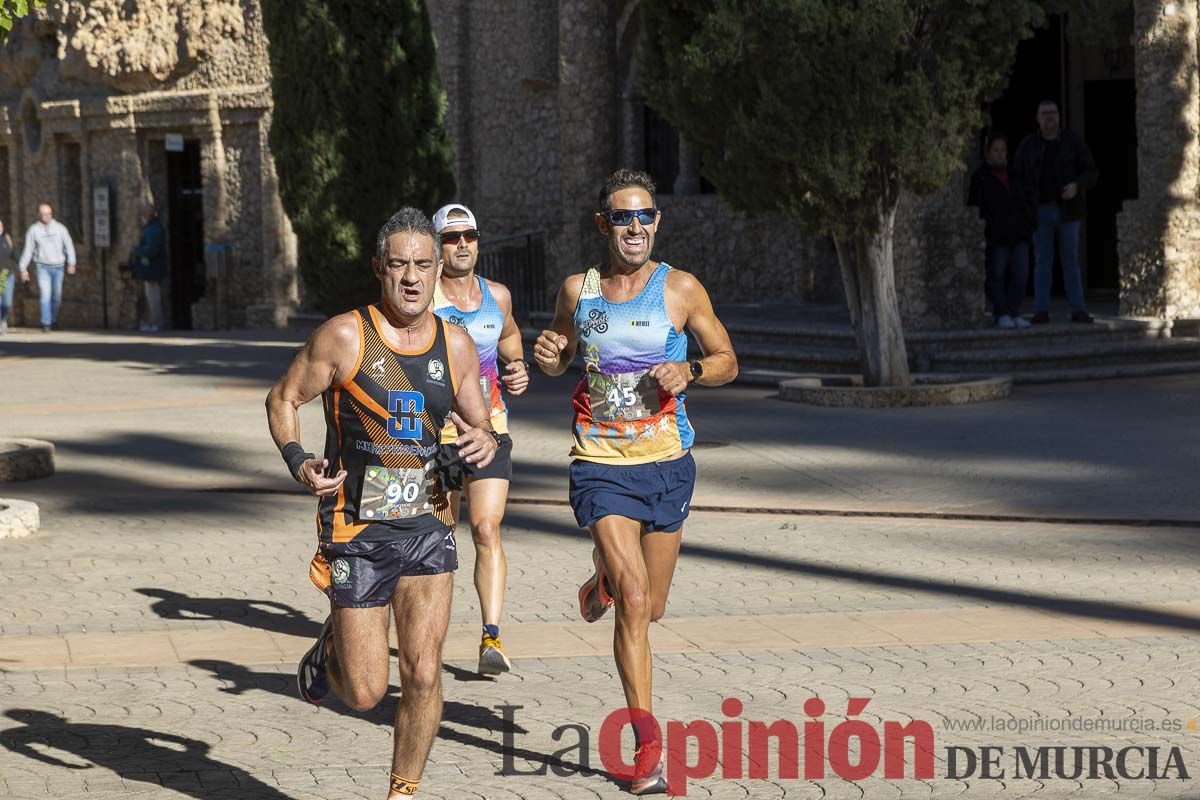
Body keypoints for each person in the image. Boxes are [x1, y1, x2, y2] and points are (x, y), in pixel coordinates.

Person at [265, 207, 499, 799]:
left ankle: (403, 791)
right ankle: (331, 649)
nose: (412, 277)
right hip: (357, 530)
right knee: (366, 692)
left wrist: (485, 440)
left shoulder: (456, 344)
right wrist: (299, 459)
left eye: (423, 264)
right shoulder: (345, 337)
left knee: (423, 670)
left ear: (439, 268)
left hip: (429, 523)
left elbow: (481, 422)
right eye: (399, 265)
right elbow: (283, 398)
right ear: (379, 268)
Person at [534, 169, 738, 795]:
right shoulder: (579, 290)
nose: (635, 227)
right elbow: (562, 352)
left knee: (651, 606)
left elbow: (728, 360)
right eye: (622, 217)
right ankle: (646, 743)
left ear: (657, 222)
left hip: (667, 463)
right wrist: (551, 356)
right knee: (636, 595)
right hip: (600, 463)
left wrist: (691, 370)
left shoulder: (680, 289)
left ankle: (600, 583)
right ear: (604, 225)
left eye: (644, 215)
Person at [430, 203, 529, 676]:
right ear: (437, 247)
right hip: (435, 437)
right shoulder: (423, 298)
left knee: (486, 529)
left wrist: (518, 367)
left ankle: (492, 637)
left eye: (469, 235)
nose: (462, 244)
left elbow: (509, 337)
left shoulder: (498, 296)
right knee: (437, 539)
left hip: (490, 432)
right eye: (452, 238)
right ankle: (425, 635)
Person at [1013, 100, 1099, 324]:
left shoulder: (1072, 142)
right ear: (1037, 118)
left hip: (1068, 211)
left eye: (1053, 112)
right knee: (1042, 261)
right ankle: (1041, 310)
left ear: (1059, 117)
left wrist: (1077, 185)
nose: (1049, 117)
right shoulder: (1028, 145)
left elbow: (1091, 171)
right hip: (1040, 211)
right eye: (1045, 113)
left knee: (1071, 260)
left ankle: (1078, 309)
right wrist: (1026, 204)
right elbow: (1017, 177)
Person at [969, 134, 1034, 329]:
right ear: (988, 153)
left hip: (1019, 233)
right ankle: (1002, 313)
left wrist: (1029, 224)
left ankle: (1014, 312)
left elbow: (1027, 199)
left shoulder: (1015, 174)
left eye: (1003, 150)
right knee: (996, 275)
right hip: (996, 235)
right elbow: (975, 206)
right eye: (996, 150)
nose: (1000, 154)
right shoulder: (980, 177)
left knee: (1020, 274)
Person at [17, 203, 76, 333]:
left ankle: (53, 319)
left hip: (58, 266)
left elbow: (69, 245)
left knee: (56, 297)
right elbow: (28, 249)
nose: (46, 216)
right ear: (39, 215)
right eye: (44, 214)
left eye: (48, 214)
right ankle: (46, 323)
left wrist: (71, 262)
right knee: (45, 295)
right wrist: (23, 268)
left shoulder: (60, 229)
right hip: (42, 267)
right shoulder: (34, 230)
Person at [132, 201, 167, 332]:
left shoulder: (153, 229)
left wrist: (137, 250)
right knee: (152, 296)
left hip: (152, 268)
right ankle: (154, 322)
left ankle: (157, 323)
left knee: (153, 297)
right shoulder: (153, 228)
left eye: (144, 213)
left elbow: (151, 249)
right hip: (151, 268)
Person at [0, 218, 14, 335]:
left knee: (7, 303)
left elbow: (14, 254)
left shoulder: (7, 239)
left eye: (0, 226)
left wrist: (23, 269)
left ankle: (3, 319)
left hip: (7, 275)